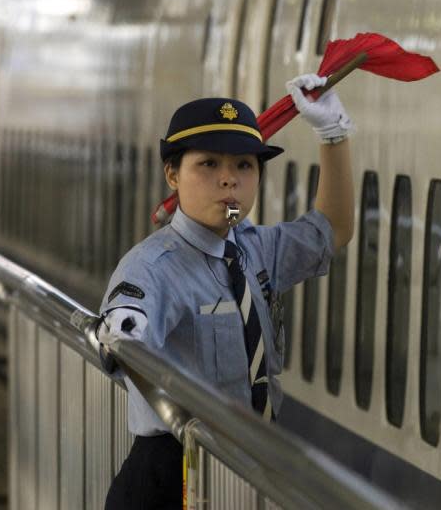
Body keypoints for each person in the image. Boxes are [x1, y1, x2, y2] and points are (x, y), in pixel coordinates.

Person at [94, 73, 354, 509]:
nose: (229, 181)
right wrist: (122, 332)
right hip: (172, 477)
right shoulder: (154, 266)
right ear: (173, 174)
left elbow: (334, 229)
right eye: (208, 165)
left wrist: (333, 135)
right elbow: (123, 333)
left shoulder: (254, 251)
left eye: (243, 166)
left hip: (241, 468)